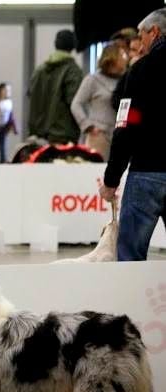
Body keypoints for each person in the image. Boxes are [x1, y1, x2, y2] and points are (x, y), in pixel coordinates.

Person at [99, 8, 166, 260]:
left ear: (155, 32)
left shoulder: (140, 71)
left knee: (130, 258)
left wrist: (111, 179)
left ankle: (131, 300)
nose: (139, 43)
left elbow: (127, 126)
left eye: (142, 35)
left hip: (147, 174)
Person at [71, 43, 128, 161]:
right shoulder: (92, 80)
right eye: (122, 55)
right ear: (112, 57)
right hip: (99, 136)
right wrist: (88, 126)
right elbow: (76, 104)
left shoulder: (125, 80)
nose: (125, 58)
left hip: (120, 137)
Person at [28, 29, 83, 144]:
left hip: (37, 136)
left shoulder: (39, 70)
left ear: (55, 44)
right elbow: (74, 101)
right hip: (63, 136)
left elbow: (31, 96)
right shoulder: (73, 70)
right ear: (73, 46)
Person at [111, 35, 146, 112]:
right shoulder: (128, 71)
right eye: (130, 49)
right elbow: (115, 100)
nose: (130, 54)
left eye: (134, 50)